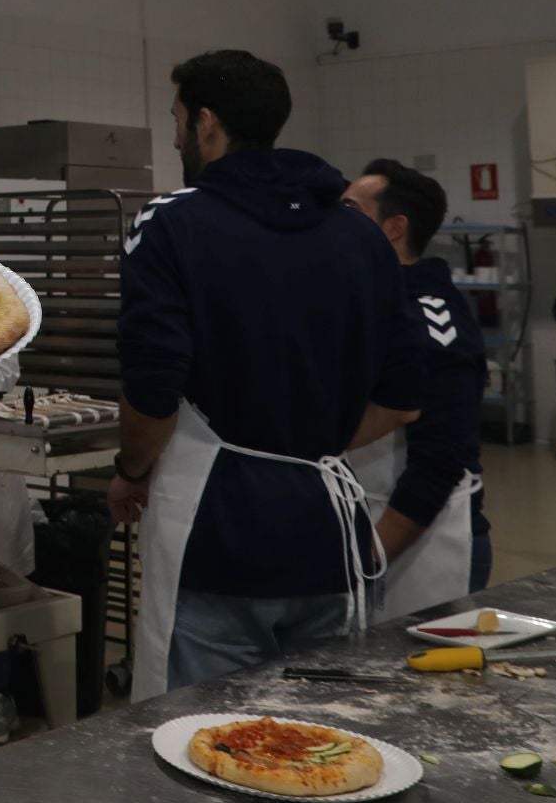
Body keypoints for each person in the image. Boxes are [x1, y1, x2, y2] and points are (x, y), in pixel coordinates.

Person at [110, 50, 424, 700]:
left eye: (175, 121)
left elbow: (153, 389)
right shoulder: (360, 236)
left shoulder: (172, 223)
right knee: (325, 746)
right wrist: (306, 441)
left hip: (216, 539)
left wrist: (132, 472)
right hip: (329, 542)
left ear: (206, 123)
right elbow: (401, 399)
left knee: (202, 744)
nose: (173, 138)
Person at [343, 159, 491, 608]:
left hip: (420, 543)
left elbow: (439, 460)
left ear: (394, 227)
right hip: (362, 522)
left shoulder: (433, 318)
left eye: (350, 210)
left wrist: (367, 561)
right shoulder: (367, 299)